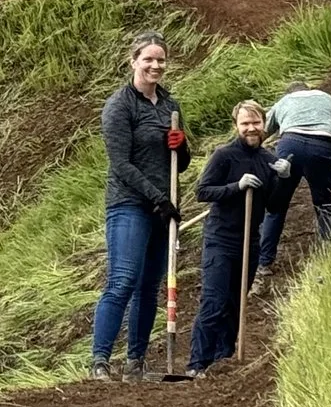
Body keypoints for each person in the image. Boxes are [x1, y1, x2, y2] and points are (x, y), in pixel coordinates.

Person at [90, 32, 187, 381]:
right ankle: (100, 361)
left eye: (160, 59)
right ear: (134, 61)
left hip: (162, 207)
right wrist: (157, 197)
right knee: (123, 280)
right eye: (148, 59)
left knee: (149, 285)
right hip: (130, 202)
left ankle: (136, 362)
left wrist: (182, 145)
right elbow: (121, 163)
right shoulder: (119, 105)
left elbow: (181, 162)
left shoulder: (169, 105)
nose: (155, 65)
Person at [187, 102, 293, 374]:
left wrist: (283, 179)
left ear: (264, 124)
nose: (251, 128)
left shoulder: (268, 160)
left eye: (255, 123)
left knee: (236, 302)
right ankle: (198, 363)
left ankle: (224, 360)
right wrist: (237, 186)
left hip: (250, 241)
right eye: (245, 123)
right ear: (236, 126)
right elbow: (203, 192)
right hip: (220, 239)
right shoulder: (224, 156)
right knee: (215, 300)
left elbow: (275, 206)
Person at [255, 78, 331, 291]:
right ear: (307, 89)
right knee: (323, 201)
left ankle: (264, 261)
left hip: (290, 143)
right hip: (323, 144)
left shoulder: (283, 101)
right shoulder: (326, 98)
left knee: (276, 206)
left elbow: (262, 132)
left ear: (289, 92)